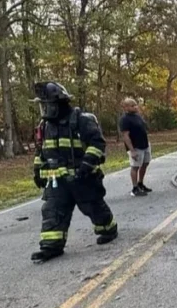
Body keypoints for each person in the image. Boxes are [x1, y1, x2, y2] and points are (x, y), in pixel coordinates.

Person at [30, 82, 117, 263]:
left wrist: (87, 164)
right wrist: (37, 169)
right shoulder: (45, 125)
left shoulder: (82, 120)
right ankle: (51, 246)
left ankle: (108, 229)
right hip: (57, 179)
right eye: (42, 105)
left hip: (82, 177)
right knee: (52, 210)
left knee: (92, 206)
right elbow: (41, 150)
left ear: (59, 103)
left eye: (47, 105)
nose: (44, 109)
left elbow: (97, 143)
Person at [118, 98, 151, 197]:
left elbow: (146, 127)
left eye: (136, 105)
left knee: (145, 163)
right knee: (135, 166)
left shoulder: (137, 116)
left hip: (145, 144)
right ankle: (135, 188)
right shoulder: (124, 119)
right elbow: (125, 135)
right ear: (126, 107)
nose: (135, 107)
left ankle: (140, 183)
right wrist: (132, 150)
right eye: (132, 106)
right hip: (135, 147)